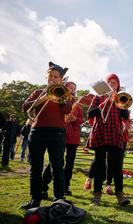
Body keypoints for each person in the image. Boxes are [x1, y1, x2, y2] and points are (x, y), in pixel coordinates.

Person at [20, 61, 72, 209]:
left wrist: (59, 96)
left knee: (57, 167)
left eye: (56, 77)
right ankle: (34, 199)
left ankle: (59, 199)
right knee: (35, 167)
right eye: (50, 76)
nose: (53, 79)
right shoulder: (37, 92)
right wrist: (44, 98)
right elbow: (25, 107)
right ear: (46, 77)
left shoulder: (63, 93)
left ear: (61, 79)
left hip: (57, 133)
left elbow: (68, 110)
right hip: (37, 132)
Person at [86, 73, 130, 206]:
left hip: (115, 134)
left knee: (117, 166)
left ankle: (120, 195)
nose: (112, 85)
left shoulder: (121, 98)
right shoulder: (98, 97)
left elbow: (125, 115)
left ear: (118, 86)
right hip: (100, 133)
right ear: (105, 85)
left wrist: (117, 102)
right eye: (109, 83)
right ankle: (97, 195)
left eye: (114, 83)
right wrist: (106, 101)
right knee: (99, 166)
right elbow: (90, 113)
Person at [41, 81, 84, 197]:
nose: (71, 90)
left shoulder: (77, 104)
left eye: (73, 88)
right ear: (64, 88)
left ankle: (66, 186)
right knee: (55, 162)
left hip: (73, 137)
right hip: (60, 134)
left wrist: (74, 118)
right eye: (69, 87)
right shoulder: (57, 98)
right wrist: (66, 117)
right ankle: (43, 187)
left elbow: (81, 120)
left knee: (69, 164)